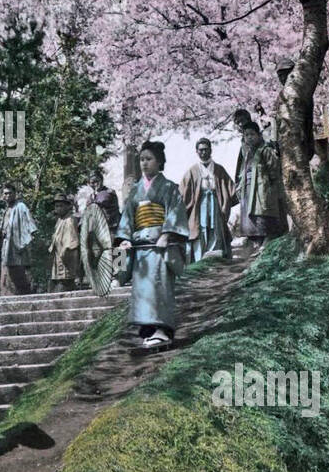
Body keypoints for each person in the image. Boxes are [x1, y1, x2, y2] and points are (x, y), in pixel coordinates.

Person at [117, 140, 191, 349]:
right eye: (141, 159)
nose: (144, 163)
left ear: (160, 162)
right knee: (142, 291)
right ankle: (148, 331)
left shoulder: (169, 187)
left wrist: (167, 234)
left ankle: (163, 330)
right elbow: (127, 219)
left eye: (149, 159)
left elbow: (175, 213)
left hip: (159, 246)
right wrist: (124, 239)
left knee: (159, 288)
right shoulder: (135, 191)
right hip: (141, 247)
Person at [179, 138, 235, 262]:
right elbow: (183, 192)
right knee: (199, 229)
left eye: (206, 149)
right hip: (198, 205)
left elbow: (230, 188)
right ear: (196, 152)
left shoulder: (219, 169)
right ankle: (200, 259)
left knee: (216, 229)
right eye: (200, 150)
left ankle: (215, 259)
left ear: (210, 150)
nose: (203, 152)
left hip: (215, 202)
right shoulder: (192, 171)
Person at [235, 122, 287, 247]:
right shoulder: (247, 153)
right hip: (248, 190)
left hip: (262, 190)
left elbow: (274, 171)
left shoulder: (266, 150)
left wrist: (271, 188)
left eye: (252, 134)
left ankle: (265, 244)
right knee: (251, 220)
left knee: (263, 217)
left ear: (259, 135)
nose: (249, 137)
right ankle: (257, 245)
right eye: (246, 135)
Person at [0, 182, 37, 295]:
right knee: (5, 271)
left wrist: (24, 243)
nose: (7, 196)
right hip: (5, 245)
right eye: (5, 193)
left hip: (17, 246)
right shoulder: (6, 210)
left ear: (15, 194)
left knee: (17, 272)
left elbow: (31, 225)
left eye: (10, 193)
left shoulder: (21, 207)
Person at [49, 194, 82, 291]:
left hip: (66, 262)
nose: (58, 208)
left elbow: (72, 243)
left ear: (67, 207)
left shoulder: (70, 220)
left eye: (61, 206)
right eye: (56, 206)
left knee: (64, 287)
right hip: (58, 259)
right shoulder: (59, 220)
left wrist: (65, 254)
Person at [87, 167, 121, 237]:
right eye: (92, 182)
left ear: (101, 180)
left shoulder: (109, 192)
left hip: (110, 229)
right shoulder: (90, 197)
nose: (95, 184)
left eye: (97, 181)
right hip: (97, 231)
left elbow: (101, 202)